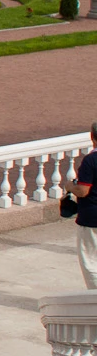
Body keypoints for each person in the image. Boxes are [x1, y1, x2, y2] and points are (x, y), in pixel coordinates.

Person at [67, 123, 97, 287]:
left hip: (91, 218)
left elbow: (83, 190)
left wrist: (70, 186)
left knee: (91, 263)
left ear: (92, 136)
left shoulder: (90, 161)